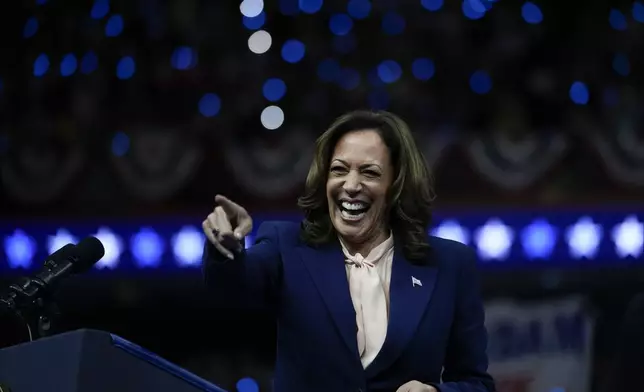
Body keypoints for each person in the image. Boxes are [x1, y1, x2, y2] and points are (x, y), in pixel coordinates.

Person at [201, 110, 495, 392]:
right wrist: (225, 247)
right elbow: (229, 287)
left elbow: (476, 383)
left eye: (369, 172)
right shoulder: (286, 246)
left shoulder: (451, 264)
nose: (351, 185)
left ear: (397, 185)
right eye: (339, 170)